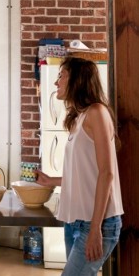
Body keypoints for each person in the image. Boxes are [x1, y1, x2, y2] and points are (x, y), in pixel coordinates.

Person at [36, 57, 123, 275]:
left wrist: (95, 229)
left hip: (98, 222)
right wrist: (51, 181)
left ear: (78, 80)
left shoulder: (97, 113)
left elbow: (107, 173)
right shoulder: (79, 118)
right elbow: (85, 176)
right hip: (75, 222)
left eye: (61, 76)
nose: (56, 82)